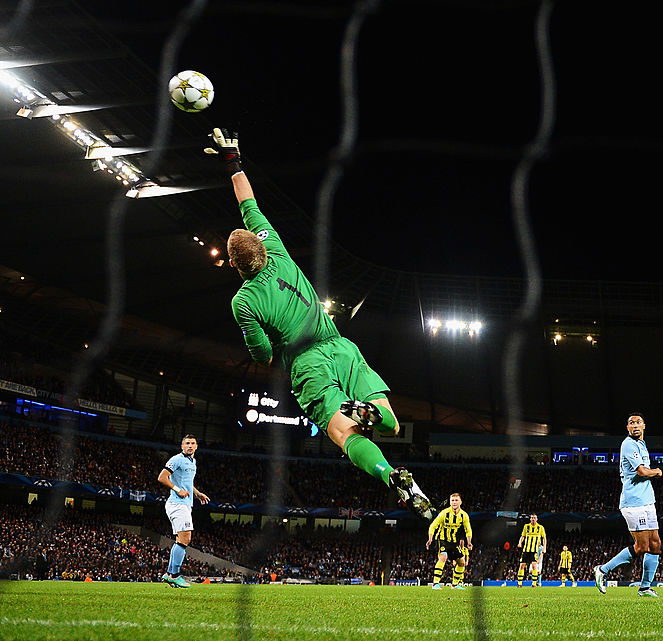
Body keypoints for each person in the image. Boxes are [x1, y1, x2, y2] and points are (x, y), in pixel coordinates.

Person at [205, 129, 432, 519]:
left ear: (235, 266)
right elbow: (248, 203)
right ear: (263, 245)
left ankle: (389, 474)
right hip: (342, 347)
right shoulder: (275, 247)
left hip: (309, 364)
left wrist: (265, 337)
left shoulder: (244, 300)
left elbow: (261, 355)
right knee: (391, 424)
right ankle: (370, 414)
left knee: (343, 434)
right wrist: (232, 162)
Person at [594, 412, 663, 598]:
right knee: (641, 546)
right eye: (631, 423)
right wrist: (656, 471)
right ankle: (602, 570)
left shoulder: (641, 444)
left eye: (638, 422)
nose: (635, 425)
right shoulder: (628, 444)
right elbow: (641, 471)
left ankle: (645, 587)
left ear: (644, 426)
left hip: (648, 501)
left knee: (655, 544)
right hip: (634, 503)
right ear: (627, 428)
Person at [158, 434, 209, 588]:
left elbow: (187, 483)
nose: (190, 446)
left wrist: (197, 493)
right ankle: (174, 575)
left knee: (181, 539)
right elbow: (162, 477)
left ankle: (169, 575)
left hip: (186, 504)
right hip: (177, 503)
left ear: (196, 446)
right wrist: (177, 489)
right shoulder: (177, 459)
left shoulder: (193, 462)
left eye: (193, 443)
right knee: (185, 538)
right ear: (182, 446)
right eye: (187, 443)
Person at [426, 493, 473, 590]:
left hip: (453, 542)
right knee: (443, 556)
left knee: (462, 563)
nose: (454, 502)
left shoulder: (464, 515)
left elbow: (468, 530)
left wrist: (469, 542)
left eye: (456, 500)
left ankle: (455, 585)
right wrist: (430, 538)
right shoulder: (444, 513)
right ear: (450, 502)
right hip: (442, 539)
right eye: (452, 500)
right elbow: (433, 525)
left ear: (460, 502)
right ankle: (435, 584)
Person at [516, 513, 546, 587]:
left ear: (537, 519)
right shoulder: (526, 526)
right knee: (522, 565)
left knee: (534, 565)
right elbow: (522, 536)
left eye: (534, 518)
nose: (533, 519)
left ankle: (534, 584)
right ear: (530, 519)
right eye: (532, 517)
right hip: (526, 549)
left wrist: (544, 547)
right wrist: (520, 542)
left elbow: (544, 538)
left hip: (535, 550)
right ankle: (519, 584)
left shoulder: (540, 527)